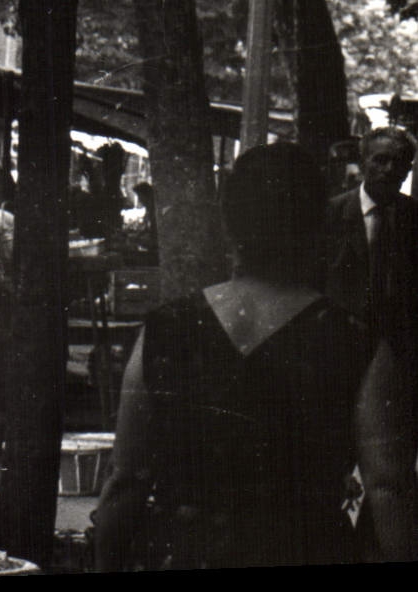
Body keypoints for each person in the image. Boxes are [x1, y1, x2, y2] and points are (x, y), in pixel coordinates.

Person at [95, 143, 416, 569]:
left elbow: (126, 480)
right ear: (316, 226)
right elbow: (388, 486)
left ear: (230, 224)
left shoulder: (164, 331)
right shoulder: (356, 343)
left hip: (189, 553)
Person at [325, 126, 417, 350]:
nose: (389, 169)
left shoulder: (413, 217)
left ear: (408, 170)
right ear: (363, 162)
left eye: (399, 163)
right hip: (337, 347)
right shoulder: (330, 215)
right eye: (381, 160)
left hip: (398, 351)